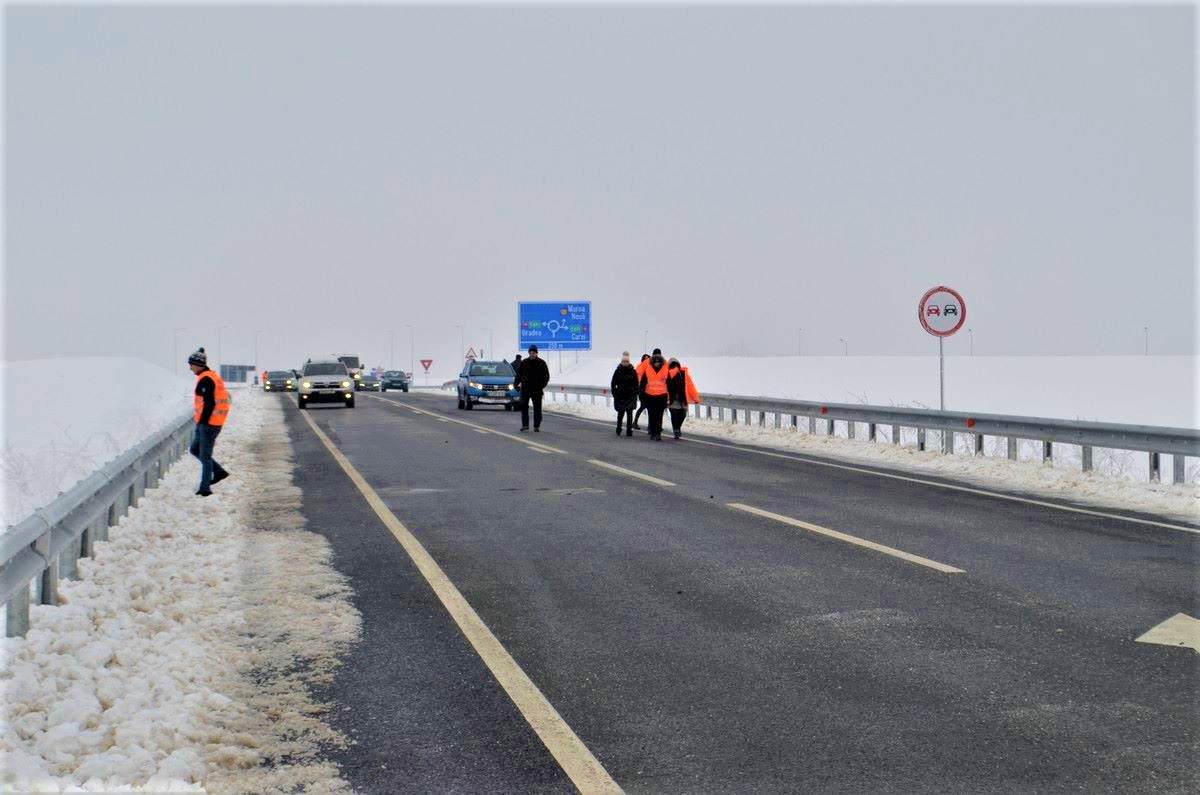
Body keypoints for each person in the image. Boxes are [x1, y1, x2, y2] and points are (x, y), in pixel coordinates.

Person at [188, 347, 231, 496]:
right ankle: (218, 471)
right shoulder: (210, 376)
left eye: (191, 365)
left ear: (198, 365)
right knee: (194, 450)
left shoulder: (206, 379)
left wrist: (203, 423)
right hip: (208, 423)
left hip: (208, 424)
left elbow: (209, 403)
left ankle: (205, 488)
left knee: (205, 456)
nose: (190, 368)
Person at [665, 357, 701, 439]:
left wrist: (695, 398)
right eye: (673, 365)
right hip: (672, 400)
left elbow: (690, 386)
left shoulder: (684, 374)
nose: (675, 366)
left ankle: (677, 428)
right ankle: (676, 430)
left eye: (676, 365)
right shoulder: (667, 375)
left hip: (683, 400)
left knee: (682, 415)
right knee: (674, 416)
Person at [639, 349, 670, 441]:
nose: (657, 363)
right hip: (650, 397)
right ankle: (653, 432)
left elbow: (670, 384)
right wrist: (642, 394)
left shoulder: (665, 370)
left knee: (659, 416)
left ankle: (658, 433)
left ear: (661, 362)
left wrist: (669, 397)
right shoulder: (648, 370)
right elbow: (642, 384)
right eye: (655, 362)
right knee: (652, 416)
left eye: (658, 361)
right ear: (653, 362)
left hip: (661, 397)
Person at [517, 344, 550, 432]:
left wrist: (541, 386)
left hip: (537, 390)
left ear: (536, 353)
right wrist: (516, 384)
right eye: (531, 353)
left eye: (534, 353)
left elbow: (546, 376)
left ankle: (536, 426)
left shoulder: (541, 363)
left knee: (537, 408)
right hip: (525, 389)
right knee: (524, 407)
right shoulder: (524, 362)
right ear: (529, 353)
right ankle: (525, 425)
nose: (532, 354)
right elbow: (519, 375)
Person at [610, 351, 640, 437]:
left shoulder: (633, 371)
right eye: (624, 361)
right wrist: (615, 393)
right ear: (621, 362)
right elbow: (613, 383)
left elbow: (636, 383)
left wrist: (635, 392)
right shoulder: (618, 371)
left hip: (630, 396)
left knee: (629, 414)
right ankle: (618, 428)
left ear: (629, 362)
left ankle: (629, 430)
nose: (625, 363)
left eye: (627, 361)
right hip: (620, 396)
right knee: (620, 413)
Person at [632, 353, 651, 429]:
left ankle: (635, 422)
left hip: (640, 390)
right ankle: (649, 426)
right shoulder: (647, 367)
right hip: (645, 390)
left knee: (643, 406)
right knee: (648, 407)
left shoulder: (638, 367)